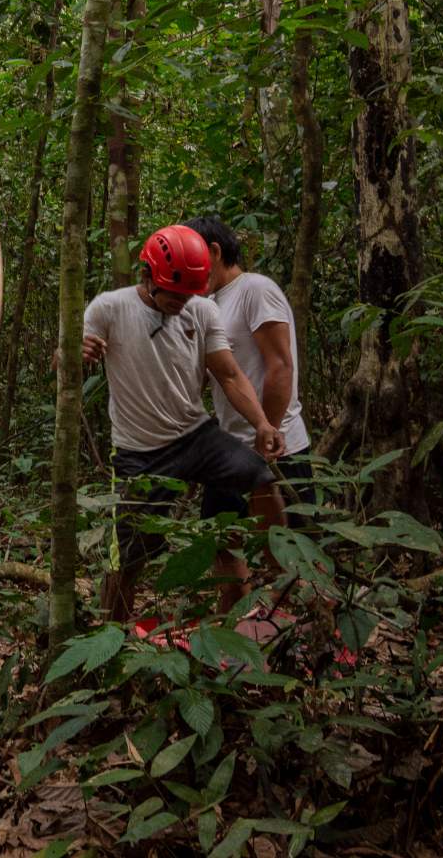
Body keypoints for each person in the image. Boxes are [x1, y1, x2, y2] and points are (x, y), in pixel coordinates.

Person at [82, 224, 285, 623]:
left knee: (260, 475)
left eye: (190, 294)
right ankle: (111, 637)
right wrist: (76, 352)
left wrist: (262, 423)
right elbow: (67, 362)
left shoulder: (202, 310)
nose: (182, 303)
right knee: (129, 554)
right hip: (139, 451)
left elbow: (228, 375)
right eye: (174, 295)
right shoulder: (109, 308)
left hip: (196, 435)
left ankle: (285, 579)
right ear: (147, 277)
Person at [181, 217, 314, 510]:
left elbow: (280, 366)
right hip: (231, 448)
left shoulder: (255, 289)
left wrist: (268, 434)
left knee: (289, 548)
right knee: (223, 545)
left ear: (214, 252)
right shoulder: (210, 304)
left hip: (277, 447)